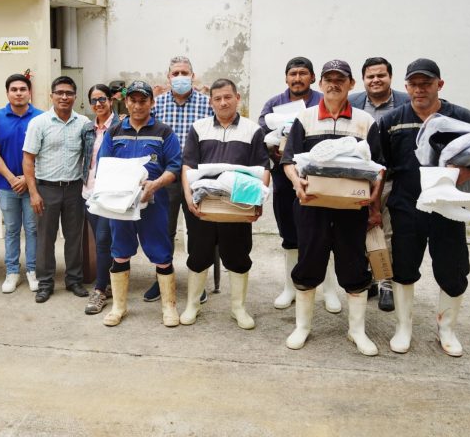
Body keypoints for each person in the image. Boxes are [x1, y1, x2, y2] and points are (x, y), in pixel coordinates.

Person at [379, 58, 470, 357]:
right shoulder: (392, 120)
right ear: (406, 86)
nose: (420, 89)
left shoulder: (462, 117)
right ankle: (403, 328)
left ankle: (446, 329)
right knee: (403, 268)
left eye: (427, 83)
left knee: (452, 269)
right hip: (406, 207)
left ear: (440, 84)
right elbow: (381, 168)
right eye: (414, 84)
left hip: (448, 208)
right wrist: (373, 209)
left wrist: (464, 174)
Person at [281, 60, 383, 356]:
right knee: (309, 262)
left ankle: (356, 331)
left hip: (353, 207)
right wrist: (296, 183)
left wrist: (374, 194)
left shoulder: (365, 121)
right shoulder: (305, 118)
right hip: (312, 206)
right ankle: (302, 327)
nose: (334, 84)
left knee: (353, 265)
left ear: (352, 84)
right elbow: (288, 160)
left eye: (341, 79)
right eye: (328, 79)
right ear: (320, 83)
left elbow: (378, 166)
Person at [181, 79, 270, 329]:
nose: (223, 102)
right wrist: (189, 197)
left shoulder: (253, 130)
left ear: (237, 98)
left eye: (227, 97)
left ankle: (238, 308)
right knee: (198, 256)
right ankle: (192, 305)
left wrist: (258, 201)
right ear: (211, 101)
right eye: (217, 98)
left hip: (237, 207)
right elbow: (188, 166)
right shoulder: (198, 128)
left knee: (238, 257)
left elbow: (263, 168)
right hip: (204, 206)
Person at [258, 57, 341, 314]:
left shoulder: (322, 100)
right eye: (292, 74)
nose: (297, 78)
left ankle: (329, 290)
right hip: (284, 178)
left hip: (321, 176)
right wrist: (279, 157)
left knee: (323, 232)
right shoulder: (274, 104)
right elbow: (263, 136)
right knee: (290, 234)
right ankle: (290, 287)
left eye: (302, 73)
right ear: (286, 78)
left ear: (312, 78)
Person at [99, 80, 182, 327]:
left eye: (143, 100)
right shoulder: (114, 132)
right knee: (120, 253)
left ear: (151, 102)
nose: (137, 105)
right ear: (125, 102)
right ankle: (119, 307)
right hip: (120, 205)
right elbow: (105, 165)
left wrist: (155, 184)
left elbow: (175, 166)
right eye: (133, 100)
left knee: (162, 255)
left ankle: (169, 307)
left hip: (154, 203)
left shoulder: (164, 132)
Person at [143, 55, 213, 304]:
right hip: (166, 177)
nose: (180, 77)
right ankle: (162, 277)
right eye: (176, 73)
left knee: (197, 231)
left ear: (193, 76)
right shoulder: (157, 104)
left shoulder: (207, 104)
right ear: (168, 77)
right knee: (164, 229)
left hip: (197, 177)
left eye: (185, 73)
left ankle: (197, 281)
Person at [349, 57, 410, 312]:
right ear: (363, 80)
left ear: (390, 77)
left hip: (390, 179)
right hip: (356, 179)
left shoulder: (405, 103)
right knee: (358, 230)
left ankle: (385, 282)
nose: (375, 80)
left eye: (381, 75)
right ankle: (368, 278)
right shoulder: (352, 102)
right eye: (370, 76)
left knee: (385, 231)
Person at [23, 76, 91, 303]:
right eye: (60, 93)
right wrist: (33, 192)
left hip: (74, 189)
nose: (64, 97)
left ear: (75, 96)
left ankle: (74, 280)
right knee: (45, 238)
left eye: (69, 93)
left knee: (74, 237)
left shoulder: (83, 123)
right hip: (46, 189)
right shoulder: (39, 123)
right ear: (51, 95)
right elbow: (28, 159)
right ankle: (45, 283)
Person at [0, 74, 43, 294]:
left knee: (32, 229)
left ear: (29, 92)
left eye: (22, 89)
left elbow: (44, 154)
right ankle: (11, 272)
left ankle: (32, 271)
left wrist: (29, 180)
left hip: (32, 187)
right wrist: (11, 178)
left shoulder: (40, 117)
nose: (18, 93)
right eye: (14, 89)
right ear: (7, 92)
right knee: (11, 230)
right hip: (6, 185)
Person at [81, 84, 120, 315]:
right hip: (89, 192)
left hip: (111, 194)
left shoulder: (120, 126)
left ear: (111, 101)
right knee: (101, 240)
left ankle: (100, 289)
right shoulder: (87, 129)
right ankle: (111, 280)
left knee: (104, 240)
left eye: (102, 99)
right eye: (94, 100)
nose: (98, 104)